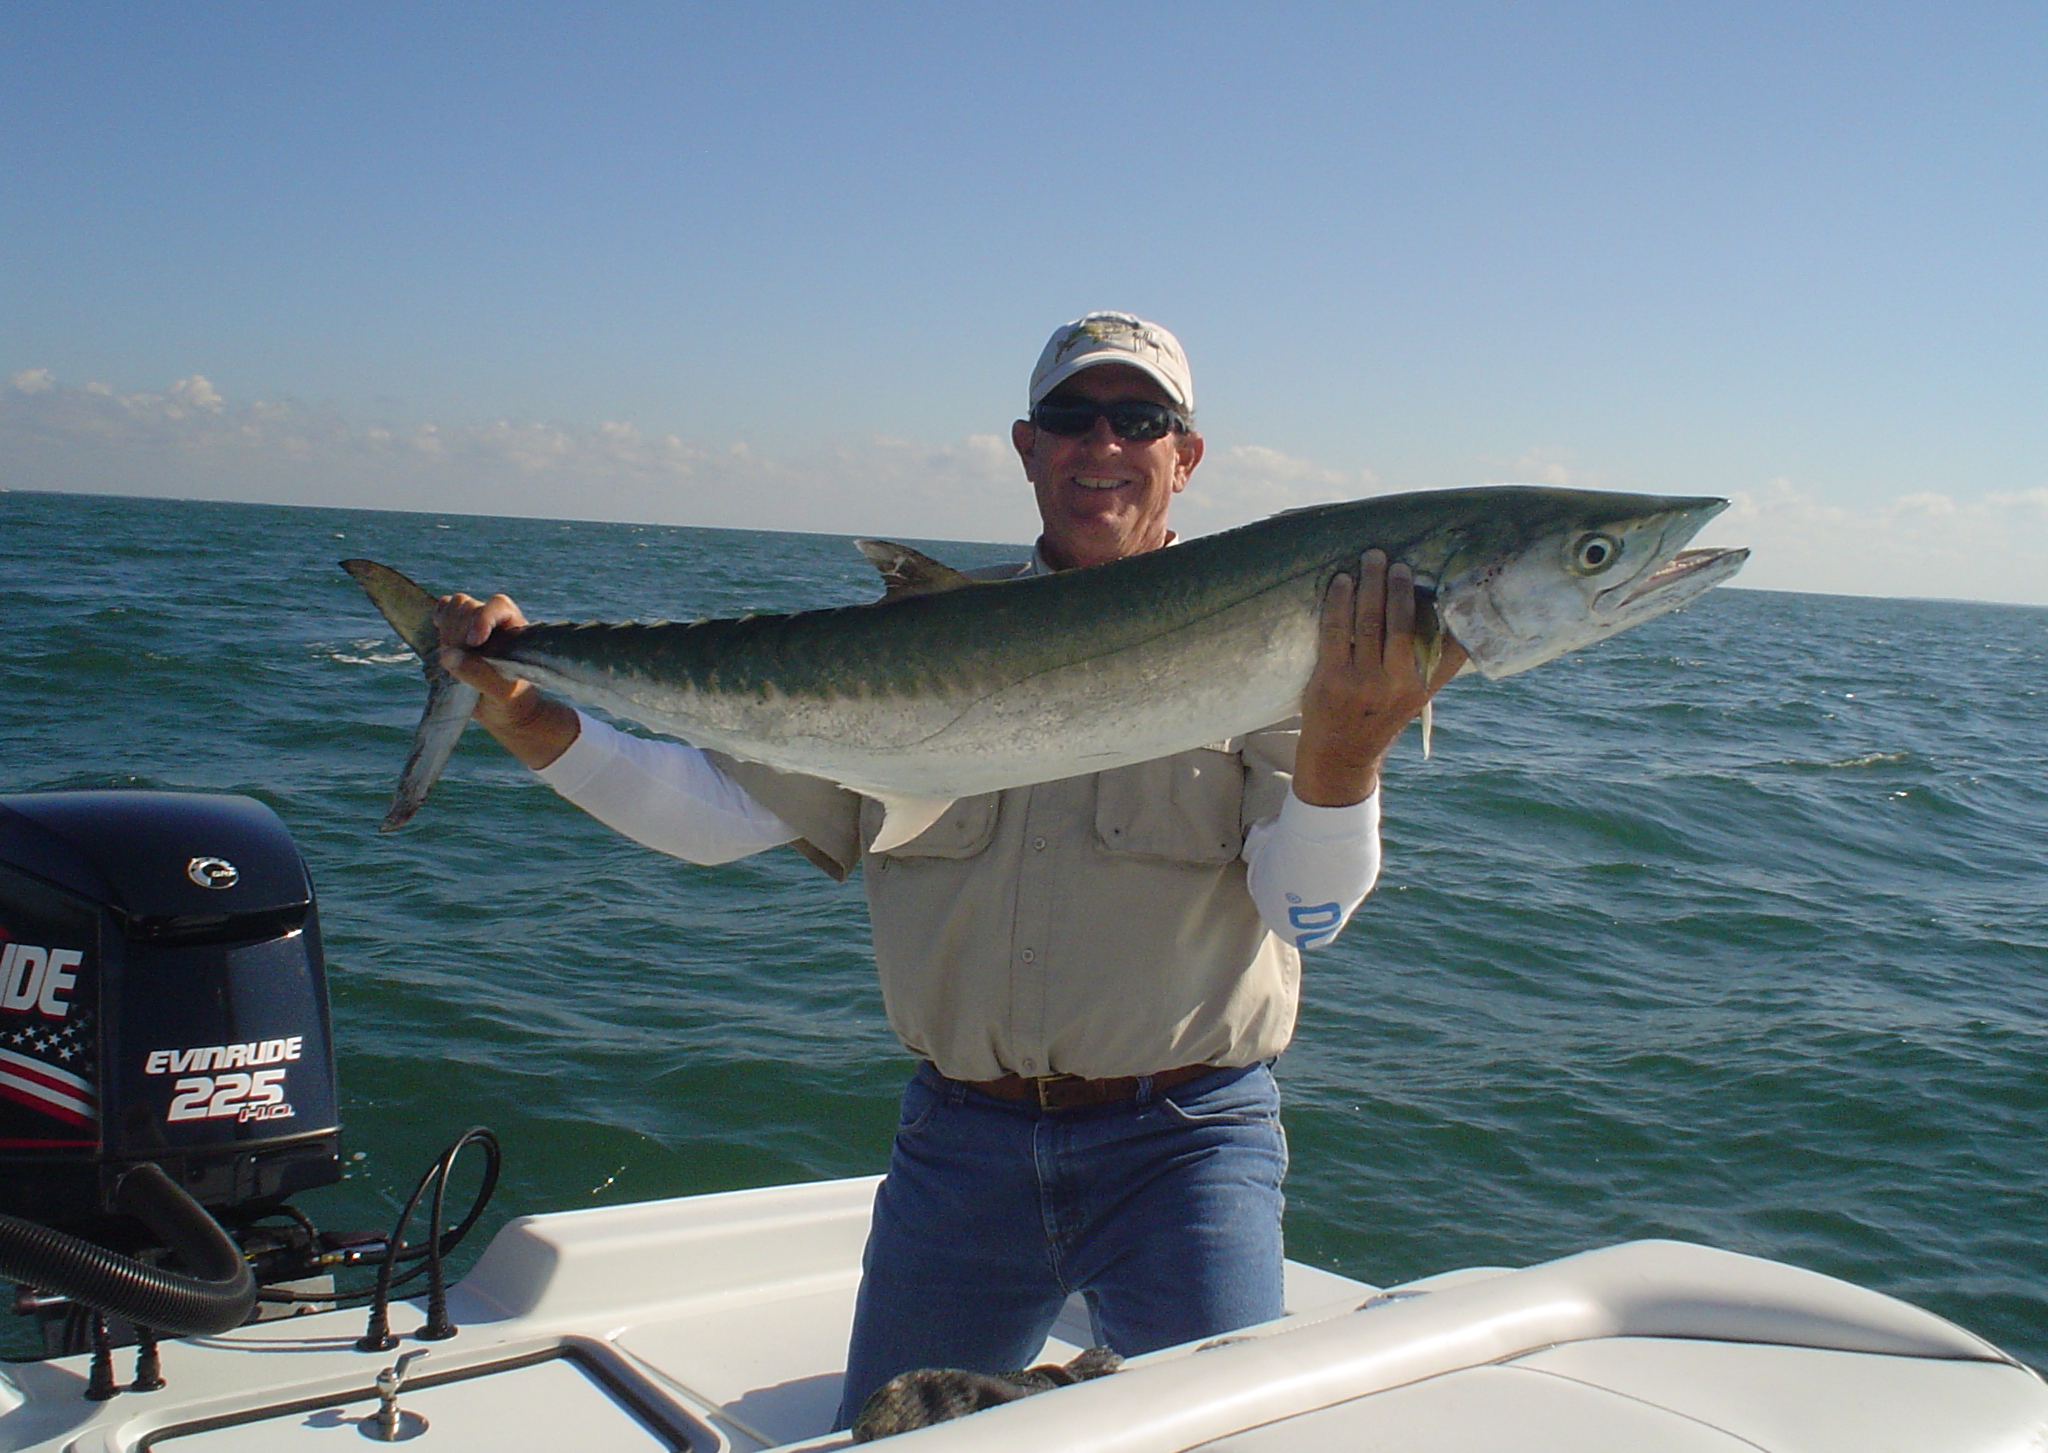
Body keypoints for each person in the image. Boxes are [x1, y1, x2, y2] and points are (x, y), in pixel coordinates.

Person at [433, 312, 1463, 1424]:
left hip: (1187, 1145)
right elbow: (718, 817)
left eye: (1139, 419)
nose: (1102, 443)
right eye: (1072, 418)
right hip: (959, 1148)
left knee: (1220, 1440)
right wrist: (527, 712)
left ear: (1184, 455)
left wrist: (1347, 747)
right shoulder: (923, 633)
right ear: (1028, 447)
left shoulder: (1291, 640)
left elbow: (1303, 915)